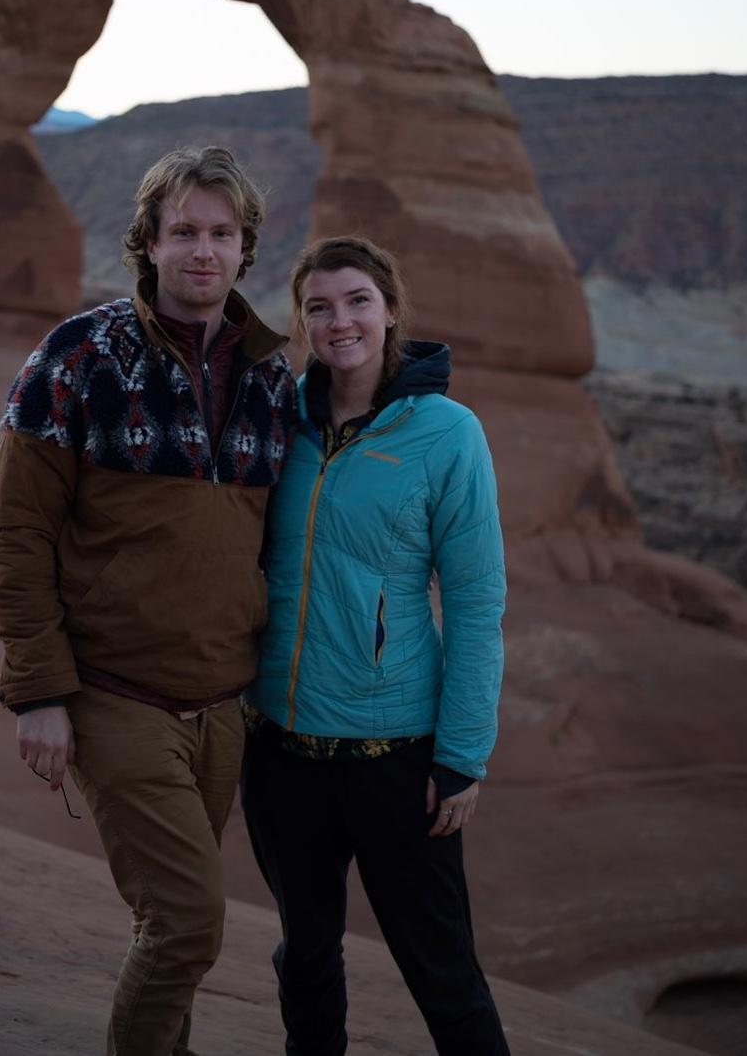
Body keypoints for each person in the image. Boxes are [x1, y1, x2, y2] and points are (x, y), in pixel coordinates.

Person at [0, 145, 296, 1056]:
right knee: (191, 924)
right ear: (149, 244)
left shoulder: (272, 380)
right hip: (115, 699)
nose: (204, 251)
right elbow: (17, 533)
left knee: (169, 928)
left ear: (246, 250)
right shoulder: (79, 358)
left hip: (222, 710)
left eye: (222, 234)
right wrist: (39, 691)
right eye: (185, 232)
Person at [242, 235, 511, 1055]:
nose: (339, 321)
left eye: (357, 300)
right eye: (318, 307)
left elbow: (474, 599)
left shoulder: (446, 433)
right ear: (303, 322)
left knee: (446, 978)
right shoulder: (276, 419)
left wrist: (462, 752)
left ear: (391, 310)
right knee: (307, 958)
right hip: (283, 751)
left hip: (396, 759)